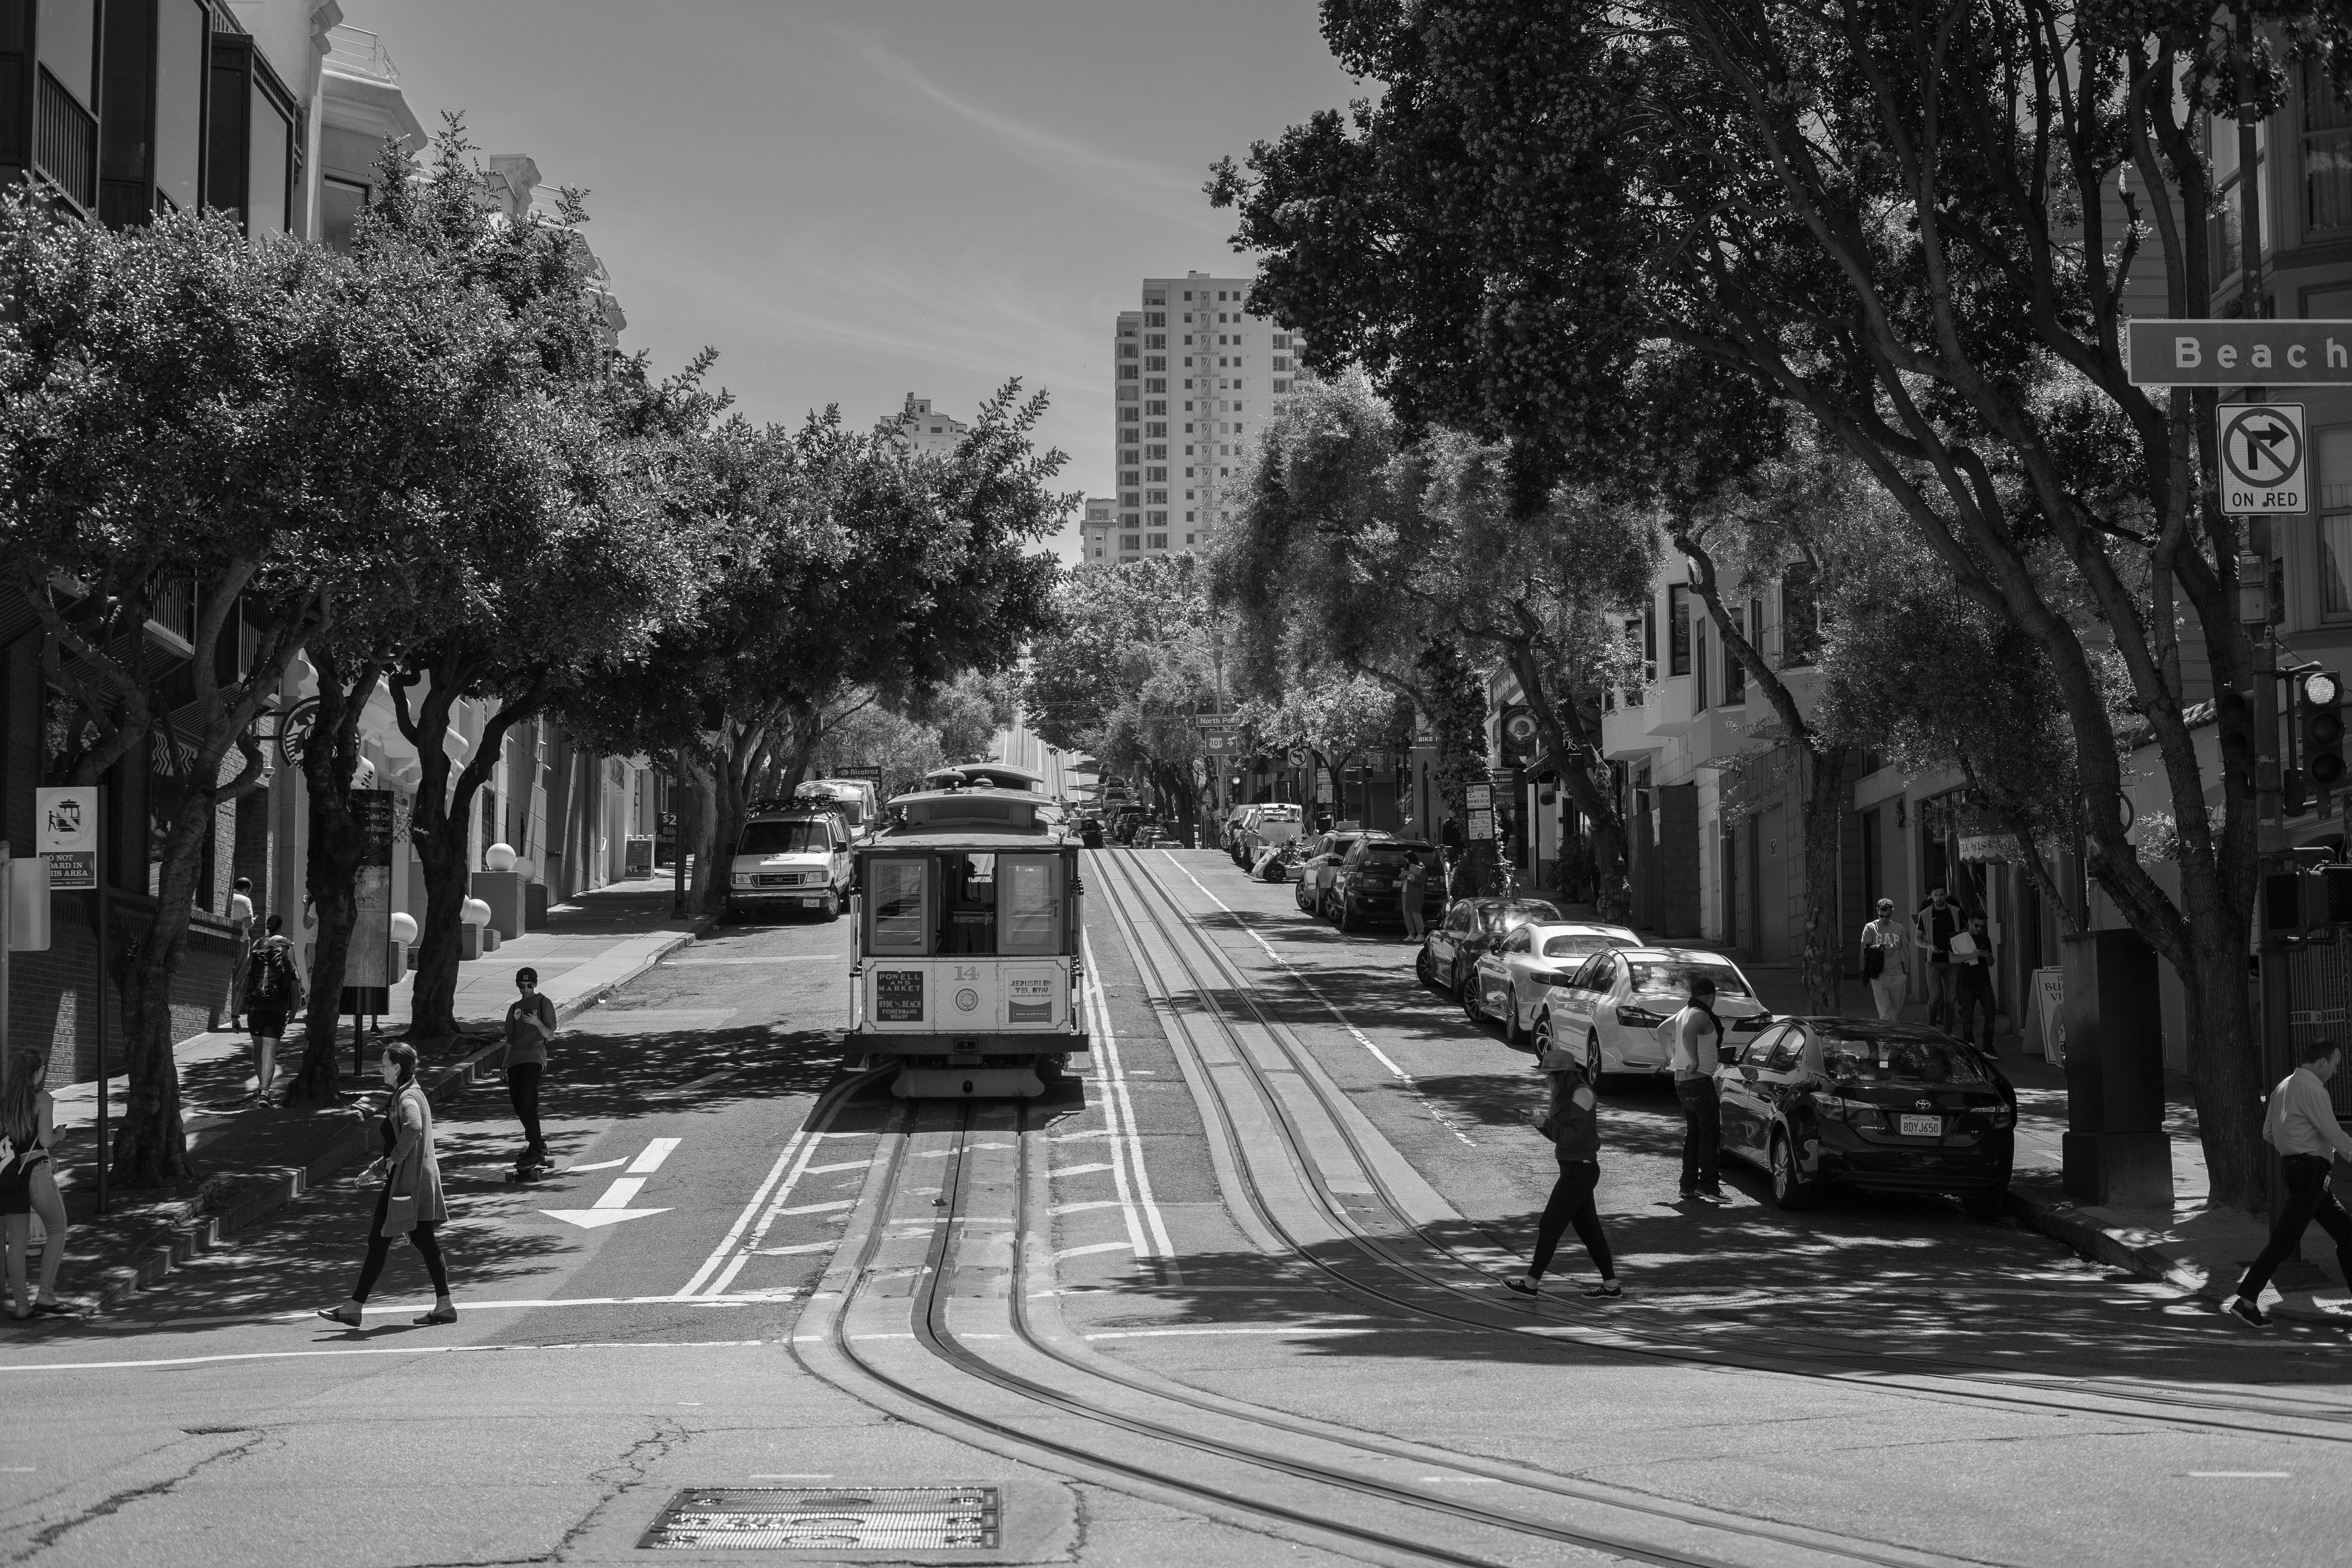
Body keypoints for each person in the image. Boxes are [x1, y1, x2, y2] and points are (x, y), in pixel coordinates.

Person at [317, 1044, 453, 1328]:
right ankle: (444, 1306)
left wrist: (394, 1161)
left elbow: (413, 1129)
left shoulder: (407, 1099)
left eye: (384, 1064)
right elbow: (401, 1139)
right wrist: (379, 1168)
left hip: (408, 1184)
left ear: (397, 1068)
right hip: (415, 1179)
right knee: (423, 1241)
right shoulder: (409, 1093)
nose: (380, 1068)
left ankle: (355, 1307)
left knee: (380, 1241)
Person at [2226, 1039, 2352, 1328]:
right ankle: (2246, 1300)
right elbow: (2334, 1133)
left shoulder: (2282, 1087)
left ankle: (2246, 1299)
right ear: (2322, 1063)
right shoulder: (2314, 1090)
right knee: (2286, 1240)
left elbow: (2269, 1133)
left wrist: (2295, 1142)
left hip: (2300, 1171)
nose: (2334, 1072)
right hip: (2312, 1173)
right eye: (2334, 1066)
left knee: (2346, 1232)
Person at [1504, 1045, 1621, 1299]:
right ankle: (1612, 1287)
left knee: (1550, 1224)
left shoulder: (1581, 1095)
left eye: (1551, 1075)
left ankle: (1531, 1283)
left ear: (1563, 1075)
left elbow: (1576, 1139)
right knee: (1589, 1230)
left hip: (1580, 1171)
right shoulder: (1568, 1095)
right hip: (1575, 1170)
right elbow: (1561, 1137)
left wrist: (1547, 1123)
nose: (1548, 1080)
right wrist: (1539, 1124)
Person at [0, 1049, 71, 1319]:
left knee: (16, 1244)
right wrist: (60, 1135)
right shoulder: (42, 1098)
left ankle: (22, 1306)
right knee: (58, 1228)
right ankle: (45, 1294)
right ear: (38, 1072)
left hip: (11, 1178)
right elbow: (45, 1141)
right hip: (38, 1172)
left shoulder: (6, 1104)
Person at [1667, 975, 1725, 1201]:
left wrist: (1668, 1057)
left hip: (1683, 1082)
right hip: (1699, 1080)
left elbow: (1663, 1029)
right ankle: (1709, 1186)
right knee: (1710, 1133)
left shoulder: (1685, 1012)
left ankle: (1688, 1185)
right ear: (1711, 997)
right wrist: (1695, 1061)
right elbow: (1688, 1033)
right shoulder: (1701, 1015)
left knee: (1695, 1134)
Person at [241, 914, 303, 1105]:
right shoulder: (286, 954)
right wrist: (293, 1011)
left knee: (258, 1048)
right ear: (281, 927)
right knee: (270, 1049)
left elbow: (248, 971)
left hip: (256, 1006)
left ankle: (261, 1086)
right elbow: (295, 981)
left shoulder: (258, 945)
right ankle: (265, 1092)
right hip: (277, 1007)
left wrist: (237, 1012)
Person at [505, 968, 558, 1172]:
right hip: (515, 1061)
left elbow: (550, 1034)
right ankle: (539, 1143)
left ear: (535, 985)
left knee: (529, 1102)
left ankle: (535, 1147)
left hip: (534, 1058)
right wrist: (503, 1065)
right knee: (519, 1106)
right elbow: (510, 1040)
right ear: (518, 986)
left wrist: (537, 1022)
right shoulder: (515, 1008)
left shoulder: (544, 1002)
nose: (526, 990)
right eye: (522, 986)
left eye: (530, 986)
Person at [1949, 914, 1997, 1051]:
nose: (1979, 929)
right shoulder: (1959, 939)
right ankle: (1971, 1049)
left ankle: (1988, 1048)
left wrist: (1988, 957)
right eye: (1977, 925)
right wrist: (1972, 955)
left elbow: (1992, 962)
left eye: (1982, 926)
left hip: (1984, 982)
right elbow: (1952, 959)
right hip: (1967, 983)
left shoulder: (1985, 939)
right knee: (1967, 1018)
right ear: (1970, 923)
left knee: (1991, 1015)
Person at [1915, 888, 1961, 1028]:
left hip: (1952, 960)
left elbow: (1966, 931)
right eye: (1936, 895)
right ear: (1932, 896)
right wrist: (1928, 945)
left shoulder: (1956, 911)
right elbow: (1918, 939)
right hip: (1934, 961)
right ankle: (1932, 1030)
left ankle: (1948, 1034)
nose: (1939, 898)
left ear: (1946, 895)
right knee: (1934, 999)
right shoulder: (1926, 914)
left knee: (1951, 1000)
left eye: (1941, 895)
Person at [1860, 898, 1909, 1022]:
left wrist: (1907, 973)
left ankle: (1894, 1038)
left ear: (1892, 912)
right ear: (1878, 911)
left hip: (1898, 975)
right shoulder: (1871, 928)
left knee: (1896, 1014)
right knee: (1885, 1015)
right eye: (1881, 916)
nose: (1884, 919)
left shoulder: (1900, 928)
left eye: (1888, 916)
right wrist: (1883, 947)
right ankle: (1887, 1039)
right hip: (1879, 976)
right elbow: (1864, 951)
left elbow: (1907, 951)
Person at [226, 877, 256, 1030]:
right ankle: (233, 1013)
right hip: (241, 939)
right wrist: (253, 920)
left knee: (228, 974)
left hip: (226, 939)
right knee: (239, 976)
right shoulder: (244, 900)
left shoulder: (227, 897)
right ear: (245, 890)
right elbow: (249, 922)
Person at [1400, 852, 1430, 942]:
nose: (1407, 861)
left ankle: (1421, 934)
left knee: (1415, 913)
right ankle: (1412, 934)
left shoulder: (1420, 866)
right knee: (1407, 914)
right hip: (1405, 891)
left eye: (1407, 859)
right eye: (1405, 860)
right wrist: (1403, 875)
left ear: (1412, 858)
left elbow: (1421, 879)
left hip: (1415, 892)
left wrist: (1409, 875)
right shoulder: (1408, 865)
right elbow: (1406, 877)